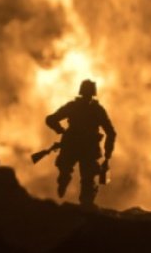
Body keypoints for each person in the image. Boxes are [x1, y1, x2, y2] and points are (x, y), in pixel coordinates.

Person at [45, 79, 116, 207]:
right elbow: (111, 133)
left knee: (78, 176)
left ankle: (67, 183)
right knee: (85, 180)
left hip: (75, 146)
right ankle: (83, 202)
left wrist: (61, 131)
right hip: (86, 148)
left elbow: (51, 119)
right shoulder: (97, 110)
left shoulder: (73, 107)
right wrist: (107, 156)